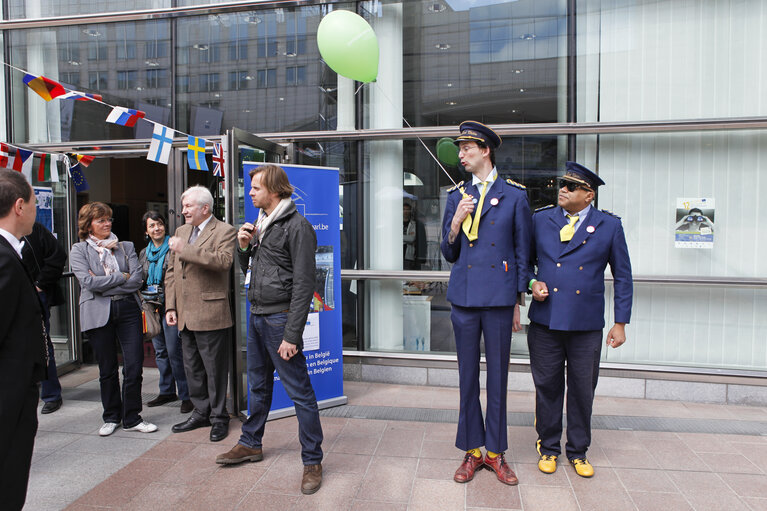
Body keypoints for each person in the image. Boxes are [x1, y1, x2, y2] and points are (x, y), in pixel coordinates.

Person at [216, 164, 324, 496]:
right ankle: (251, 443)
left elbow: (305, 285)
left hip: (280, 320)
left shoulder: (297, 227)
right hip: (258, 315)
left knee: (300, 393)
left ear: (274, 190)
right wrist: (244, 246)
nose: (250, 193)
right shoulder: (263, 222)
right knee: (258, 387)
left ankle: (313, 461)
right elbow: (252, 269)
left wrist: (292, 335)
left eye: (256, 188)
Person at [527, 161, 633, 478]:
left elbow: (623, 276)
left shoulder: (609, 226)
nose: (563, 189)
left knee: (583, 389)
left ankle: (578, 450)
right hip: (546, 320)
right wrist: (532, 284)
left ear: (588, 195)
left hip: (585, 324)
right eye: (562, 183)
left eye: (571, 186)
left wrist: (621, 322)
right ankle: (548, 446)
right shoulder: (540, 220)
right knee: (547, 386)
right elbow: (524, 264)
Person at [440, 121, 531, 486]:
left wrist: (517, 301)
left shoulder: (514, 195)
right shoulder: (455, 195)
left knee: (497, 379)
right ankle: (472, 450)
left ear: (485, 151)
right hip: (463, 298)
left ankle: (495, 452)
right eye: (460, 149)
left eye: (466, 148)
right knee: (466, 379)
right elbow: (448, 252)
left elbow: (524, 252)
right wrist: (455, 222)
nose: (461, 154)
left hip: (497, 298)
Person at [70, 202, 158, 436]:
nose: (107, 224)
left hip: (128, 310)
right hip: (98, 313)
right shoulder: (79, 250)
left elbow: (137, 281)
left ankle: (132, 417)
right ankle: (111, 416)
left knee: (133, 365)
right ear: (88, 225)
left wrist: (105, 282)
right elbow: (87, 283)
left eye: (109, 219)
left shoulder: (126, 246)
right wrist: (121, 277)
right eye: (101, 220)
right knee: (107, 368)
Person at [166, 185, 237, 443]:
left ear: (204, 208)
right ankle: (201, 412)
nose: (183, 211)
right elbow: (172, 271)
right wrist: (171, 306)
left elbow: (222, 262)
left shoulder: (225, 230)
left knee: (215, 370)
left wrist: (186, 249)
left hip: (211, 312)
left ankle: (220, 418)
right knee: (192, 368)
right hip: (184, 314)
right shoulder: (181, 231)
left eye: (188, 206)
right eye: (183, 206)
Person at [0, 169, 47, 511]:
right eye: (33, 202)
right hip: (8, 395)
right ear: (19, 206)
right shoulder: (3, 259)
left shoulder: (13, 251)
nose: (35, 209)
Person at [138, 210, 192, 414]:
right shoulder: (144, 253)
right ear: (146, 230)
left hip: (172, 307)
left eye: (159, 224)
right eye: (152, 225)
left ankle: (186, 395)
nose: (156, 228)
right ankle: (167, 390)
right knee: (160, 352)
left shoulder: (173, 248)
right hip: (152, 308)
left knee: (174, 351)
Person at [22, 221, 67, 414]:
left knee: (42, 342)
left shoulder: (33, 228)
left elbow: (57, 255)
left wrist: (40, 283)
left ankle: (51, 394)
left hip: (34, 295)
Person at [403, 202, 426, 270]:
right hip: (398, 255)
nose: (406, 211)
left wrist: (399, 237)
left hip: (409, 256)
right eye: (404, 209)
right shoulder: (396, 223)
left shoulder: (413, 224)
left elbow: (411, 238)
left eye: (407, 209)